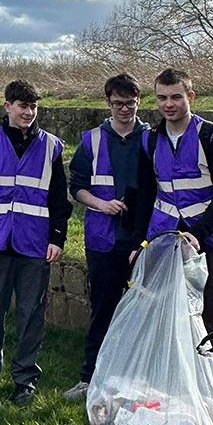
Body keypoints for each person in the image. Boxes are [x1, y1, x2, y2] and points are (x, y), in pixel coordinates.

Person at [137, 68, 213, 425]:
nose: (168, 105)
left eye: (176, 97)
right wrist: (141, 242)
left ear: (191, 97)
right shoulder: (151, 138)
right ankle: (178, 410)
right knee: (168, 329)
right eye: (161, 98)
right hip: (165, 243)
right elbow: (147, 190)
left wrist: (200, 235)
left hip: (210, 244)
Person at [0, 79, 71, 405]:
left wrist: (57, 237)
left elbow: (58, 200)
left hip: (36, 244)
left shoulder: (52, 146)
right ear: (7, 106)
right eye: (22, 105)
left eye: (33, 106)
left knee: (31, 314)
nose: (28, 112)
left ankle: (25, 379)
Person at [62, 73, 149, 400]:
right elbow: (76, 187)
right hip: (103, 238)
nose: (124, 109)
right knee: (102, 309)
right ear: (107, 103)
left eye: (130, 103)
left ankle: (136, 380)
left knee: (140, 312)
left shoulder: (150, 139)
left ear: (138, 102)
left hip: (141, 238)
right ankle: (90, 377)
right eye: (117, 103)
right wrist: (101, 204)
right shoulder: (92, 140)